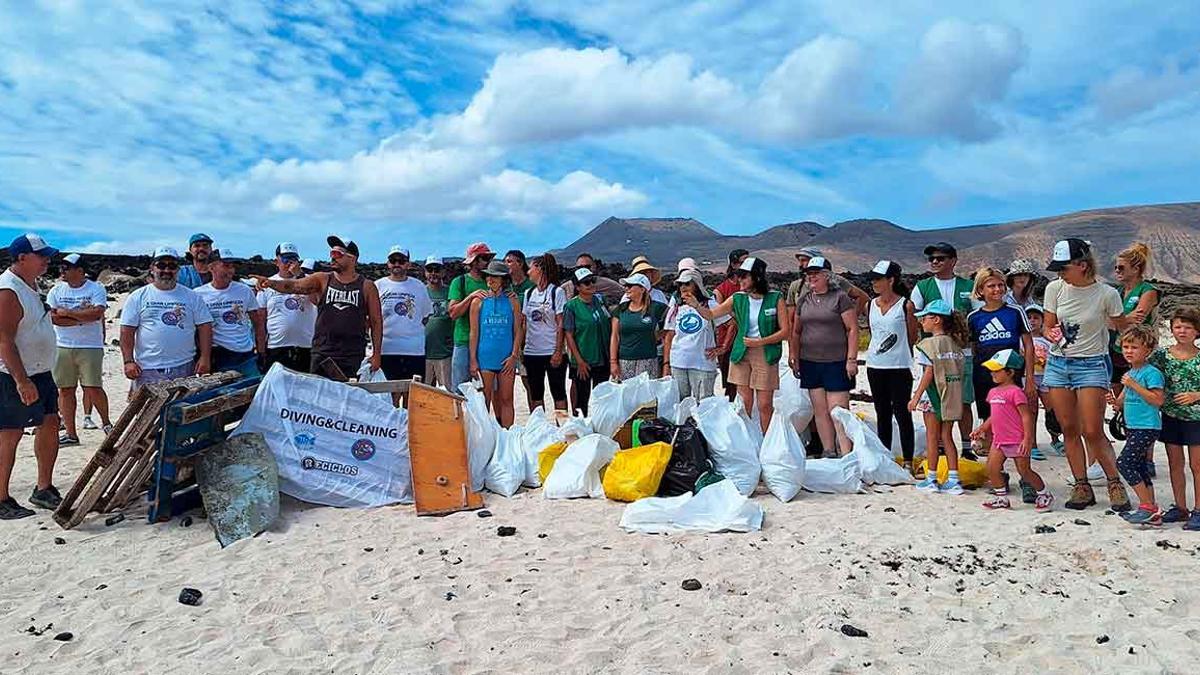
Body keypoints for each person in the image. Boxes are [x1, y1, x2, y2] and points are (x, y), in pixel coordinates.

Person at [1042, 238, 1133, 511]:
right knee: (1069, 428)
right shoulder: (1054, 289)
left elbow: (1119, 324)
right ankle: (1081, 486)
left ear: (1082, 265)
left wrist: (1132, 321)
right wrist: (1051, 333)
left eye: (1064, 267)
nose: (1060, 273)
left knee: (1092, 430)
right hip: (1059, 364)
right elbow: (1048, 324)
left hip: (1092, 363)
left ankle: (1114, 482)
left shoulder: (1106, 294)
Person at [252, 236, 381, 381]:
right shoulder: (322, 279)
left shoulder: (367, 286)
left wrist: (376, 354)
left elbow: (376, 322)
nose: (333, 258)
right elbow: (294, 286)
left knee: (348, 399)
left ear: (353, 258)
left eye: (338, 254)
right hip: (323, 352)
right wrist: (270, 283)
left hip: (352, 353)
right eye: (331, 253)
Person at [0, 234, 63, 519]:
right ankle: (1, 497)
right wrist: (21, 380)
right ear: (22, 257)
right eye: (41, 256)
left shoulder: (30, 284)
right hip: (16, 374)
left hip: (42, 371)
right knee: (10, 434)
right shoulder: (8, 290)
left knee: (50, 423)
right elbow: (3, 340)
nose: (47, 261)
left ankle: (43, 488)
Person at [689, 257, 789, 434]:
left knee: (765, 404)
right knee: (744, 402)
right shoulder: (737, 298)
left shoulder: (776, 298)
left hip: (765, 353)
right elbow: (711, 314)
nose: (739, 280)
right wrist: (697, 305)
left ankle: (768, 442)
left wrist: (761, 341)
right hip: (742, 353)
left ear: (757, 277)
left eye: (744, 276)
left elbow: (785, 331)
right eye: (739, 276)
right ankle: (747, 441)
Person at [789, 256, 859, 455]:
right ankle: (828, 450)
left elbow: (852, 329)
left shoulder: (840, 298)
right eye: (809, 273)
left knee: (838, 412)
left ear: (827, 275)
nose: (811, 277)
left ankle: (846, 452)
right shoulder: (804, 299)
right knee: (819, 410)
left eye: (816, 273)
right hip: (810, 361)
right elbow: (796, 330)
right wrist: (794, 355)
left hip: (836, 362)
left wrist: (851, 359)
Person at [912, 242, 976, 450]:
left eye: (940, 258)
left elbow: (977, 315)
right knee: (935, 399)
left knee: (963, 400)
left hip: (963, 352)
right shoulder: (922, 286)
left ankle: (967, 446)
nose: (935, 262)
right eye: (931, 259)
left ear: (953, 261)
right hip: (934, 353)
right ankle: (939, 445)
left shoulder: (968, 286)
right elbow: (915, 318)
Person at [120, 246, 213, 390]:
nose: (166, 270)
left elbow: (204, 326)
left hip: (185, 367)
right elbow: (127, 330)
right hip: (147, 369)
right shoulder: (137, 297)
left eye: (172, 266)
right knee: (148, 412)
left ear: (178, 269)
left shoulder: (192, 296)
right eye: (161, 265)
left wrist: (205, 357)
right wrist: (128, 361)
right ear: (152, 268)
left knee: (181, 411)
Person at [967, 267, 1036, 460]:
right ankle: (993, 463)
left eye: (1000, 285)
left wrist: (1029, 378)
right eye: (991, 286)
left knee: (1013, 414)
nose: (997, 289)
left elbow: (1028, 345)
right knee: (988, 413)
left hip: (1011, 375)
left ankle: (1019, 454)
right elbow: (974, 347)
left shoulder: (1015, 312)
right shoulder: (974, 317)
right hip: (983, 374)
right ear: (981, 290)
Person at [972, 349, 1053, 511]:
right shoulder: (993, 392)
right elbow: (994, 415)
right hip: (999, 440)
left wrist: (1028, 439)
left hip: (1017, 439)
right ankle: (1002, 498)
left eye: (997, 370)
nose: (992, 373)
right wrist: (982, 428)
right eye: (991, 370)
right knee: (992, 468)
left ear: (1010, 372)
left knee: (1025, 471)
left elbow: (1026, 416)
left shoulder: (1016, 392)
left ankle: (1044, 493)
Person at [47, 253, 112, 444]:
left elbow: (96, 314)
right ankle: (70, 433)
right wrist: (81, 317)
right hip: (63, 345)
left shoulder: (96, 288)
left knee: (93, 387)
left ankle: (107, 424)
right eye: (62, 268)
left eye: (67, 268)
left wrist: (67, 313)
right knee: (65, 390)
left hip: (90, 346)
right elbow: (52, 317)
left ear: (80, 271)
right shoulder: (56, 291)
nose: (62, 271)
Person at [908, 300, 969, 495]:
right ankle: (953, 479)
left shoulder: (928, 345)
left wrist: (915, 398)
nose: (921, 322)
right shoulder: (955, 345)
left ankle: (932, 478)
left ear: (936, 320)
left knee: (932, 437)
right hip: (951, 397)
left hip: (932, 397)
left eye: (924, 318)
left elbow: (928, 372)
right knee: (947, 437)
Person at [863, 260, 919, 471]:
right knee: (882, 412)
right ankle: (885, 455)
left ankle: (907, 460)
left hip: (899, 366)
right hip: (875, 365)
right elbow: (873, 332)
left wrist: (900, 353)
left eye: (878, 279)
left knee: (902, 412)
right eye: (873, 279)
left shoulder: (906, 305)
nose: (874, 283)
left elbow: (912, 335)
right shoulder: (870, 305)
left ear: (891, 280)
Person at [1148, 306, 1200, 529]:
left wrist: (1196, 395)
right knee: (1175, 464)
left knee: (1197, 465)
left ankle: (1199, 509)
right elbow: (1145, 373)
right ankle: (1180, 507)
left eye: (1188, 327)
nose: (1182, 331)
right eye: (1178, 326)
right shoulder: (1162, 355)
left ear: (1197, 331)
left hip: (1196, 418)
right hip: (1170, 415)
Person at [1110, 326, 1166, 526]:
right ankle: (1152, 509)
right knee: (1140, 467)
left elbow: (1157, 400)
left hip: (1147, 426)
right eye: (1126, 347)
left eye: (1134, 347)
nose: (1128, 351)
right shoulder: (1131, 372)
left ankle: (1146, 506)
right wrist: (1114, 401)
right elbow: (1121, 402)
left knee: (1124, 463)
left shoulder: (1151, 373)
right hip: (1133, 425)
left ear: (1147, 351)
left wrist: (1134, 385)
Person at [470, 260, 523, 427]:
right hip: (485, 357)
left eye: (495, 277)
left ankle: (507, 436)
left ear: (503, 280)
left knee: (507, 399)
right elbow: (474, 332)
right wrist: (473, 359)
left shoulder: (512, 301)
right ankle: (485, 438)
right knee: (483, 401)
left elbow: (518, 330)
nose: (490, 280)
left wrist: (514, 355)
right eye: (488, 277)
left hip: (506, 357)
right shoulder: (478, 302)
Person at [195, 249, 265, 378]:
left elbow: (258, 323)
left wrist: (261, 351)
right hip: (219, 355)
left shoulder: (244, 290)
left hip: (246, 355)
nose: (231, 271)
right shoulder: (198, 295)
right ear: (211, 267)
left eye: (232, 266)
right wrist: (204, 357)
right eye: (226, 266)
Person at [257, 242, 317, 373]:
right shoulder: (267, 283)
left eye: (293, 259)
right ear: (276, 261)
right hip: (277, 346)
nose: (289, 263)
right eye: (285, 259)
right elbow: (261, 320)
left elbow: (317, 300)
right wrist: (261, 350)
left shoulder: (310, 280)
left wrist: (300, 276)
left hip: (305, 346)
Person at [376, 246, 432, 383]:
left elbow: (426, 316)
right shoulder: (377, 285)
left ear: (408, 264)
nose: (396, 264)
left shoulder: (419, 286)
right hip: (386, 349)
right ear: (388, 263)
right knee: (389, 395)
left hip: (413, 350)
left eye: (401, 261)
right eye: (393, 260)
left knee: (413, 394)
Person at [663, 268, 722, 400]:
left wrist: (722, 347)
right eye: (680, 284)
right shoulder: (675, 307)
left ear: (697, 284)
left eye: (687, 283)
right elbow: (669, 336)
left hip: (703, 363)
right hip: (678, 362)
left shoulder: (710, 304)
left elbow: (730, 323)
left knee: (704, 403)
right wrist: (666, 364)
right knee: (680, 403)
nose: (683, 287)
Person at [521, 253, 568, 413]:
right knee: (535, 394)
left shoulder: (557, 292)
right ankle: (540, 430)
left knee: (558, 393)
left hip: (551, 351)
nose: (528, 272)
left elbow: (561, 323)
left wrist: (558, 351)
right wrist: (521, 348)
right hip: (532, 351)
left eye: (530, 268)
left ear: (540, 269)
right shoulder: (529, 293)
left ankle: (563, 430)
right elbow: (524, 322)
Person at [1110, 243, 1159, 395]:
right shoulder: (1117, 291)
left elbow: (1138, 318)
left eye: (1121, 267)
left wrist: (1115, 321)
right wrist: (1124, 319)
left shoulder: (1148, 291)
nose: (1117, 271)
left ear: (1136, 269)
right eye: (1116, 267)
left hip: (1139, 348)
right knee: (1117, 388)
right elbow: (1103, 321)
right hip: (1116, 347)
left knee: (1137, 390)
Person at [563, 267, 613, 415]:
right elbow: (569, 335)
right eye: (586, 282)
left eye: (592, 280)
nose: (591, 284)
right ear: (577, 287)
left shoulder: (600, 300)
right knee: (581, 401)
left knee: (602, 398)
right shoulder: (571, 306)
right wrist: (579, 361)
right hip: (584, 360)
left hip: (603, 358)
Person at [448, 242, 494, 390]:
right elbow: (453, 313)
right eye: (485, 258)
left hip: (487, 342)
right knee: (460, 390)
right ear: (474, 261)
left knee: (485, 391)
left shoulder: (492, 282)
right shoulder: (459, 282)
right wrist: (471, 297)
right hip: (463, 341)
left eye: (489, 258)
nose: (488, 262)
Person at [610, 273, 667, 381]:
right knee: (626, 395)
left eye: (630, 286)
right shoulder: (621, 309)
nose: (626, 288)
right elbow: (615, 336)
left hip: (648, 359)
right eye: (626, 286)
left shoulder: (655, 308)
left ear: (642, 289)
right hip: (624, 360)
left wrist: (660, 334)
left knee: (646, 396)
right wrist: (613, 362)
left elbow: (674, 317)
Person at [786, 247, 869, 316]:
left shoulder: (837, 281)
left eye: (804, 260)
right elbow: (791, 318)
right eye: (799, 261)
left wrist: (852, 319)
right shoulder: (795, 286)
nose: (800, 265)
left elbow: (862, 297)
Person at [1025, 305, 1061, 455]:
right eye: (1029, 318)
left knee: (1052, 410)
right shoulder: (1022, 339)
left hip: (1046, 378)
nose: (1032, 321)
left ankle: (1056, 439)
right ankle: (1032, 444)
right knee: (1031, 411)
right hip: (1029, 378)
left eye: (1036, 318)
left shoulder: (1047, 340)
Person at [712, 249, 749, 401]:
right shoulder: (721, 290)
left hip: (748, 339)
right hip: (728, 341)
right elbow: (721, 317)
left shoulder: (750, 287)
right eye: (743, 262)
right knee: (730, 383)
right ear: (734, 265)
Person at [423, 256, 454, 388]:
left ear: (443, 272)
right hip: (423, 353)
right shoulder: (420, 291)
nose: (433, 273)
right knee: (423, 395)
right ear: (425, 272)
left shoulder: (451, 292)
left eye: (437, 269)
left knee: (446, 394)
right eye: (430, 269)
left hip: (445, 353)